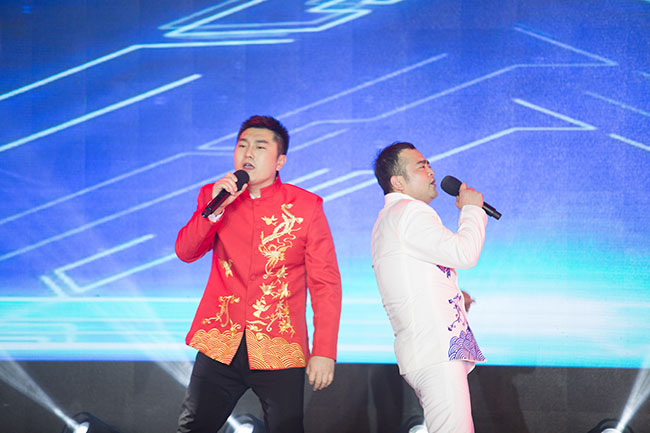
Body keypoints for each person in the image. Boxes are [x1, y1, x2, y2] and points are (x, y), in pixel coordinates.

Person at [175, 115, 342, 433]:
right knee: (193, 427)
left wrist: (324, 350)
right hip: (221, 340)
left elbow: (326, 284)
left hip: (279, 343)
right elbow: (186, 251)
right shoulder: (215, 196)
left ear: (280, 161)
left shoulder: (306, 207)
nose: (248, 153)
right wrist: (215, 209)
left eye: (260, 146)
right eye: (242, 145)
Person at [370, 142, 488, 433]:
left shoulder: (389, 218)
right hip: (434, 351)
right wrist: (472, 210)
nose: (431, 172)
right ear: (398, 182)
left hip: (424, 351)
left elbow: (410, 277)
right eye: (421, 166)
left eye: (429, 165)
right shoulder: (410, 212)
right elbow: (464, 254)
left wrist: (455, 296)